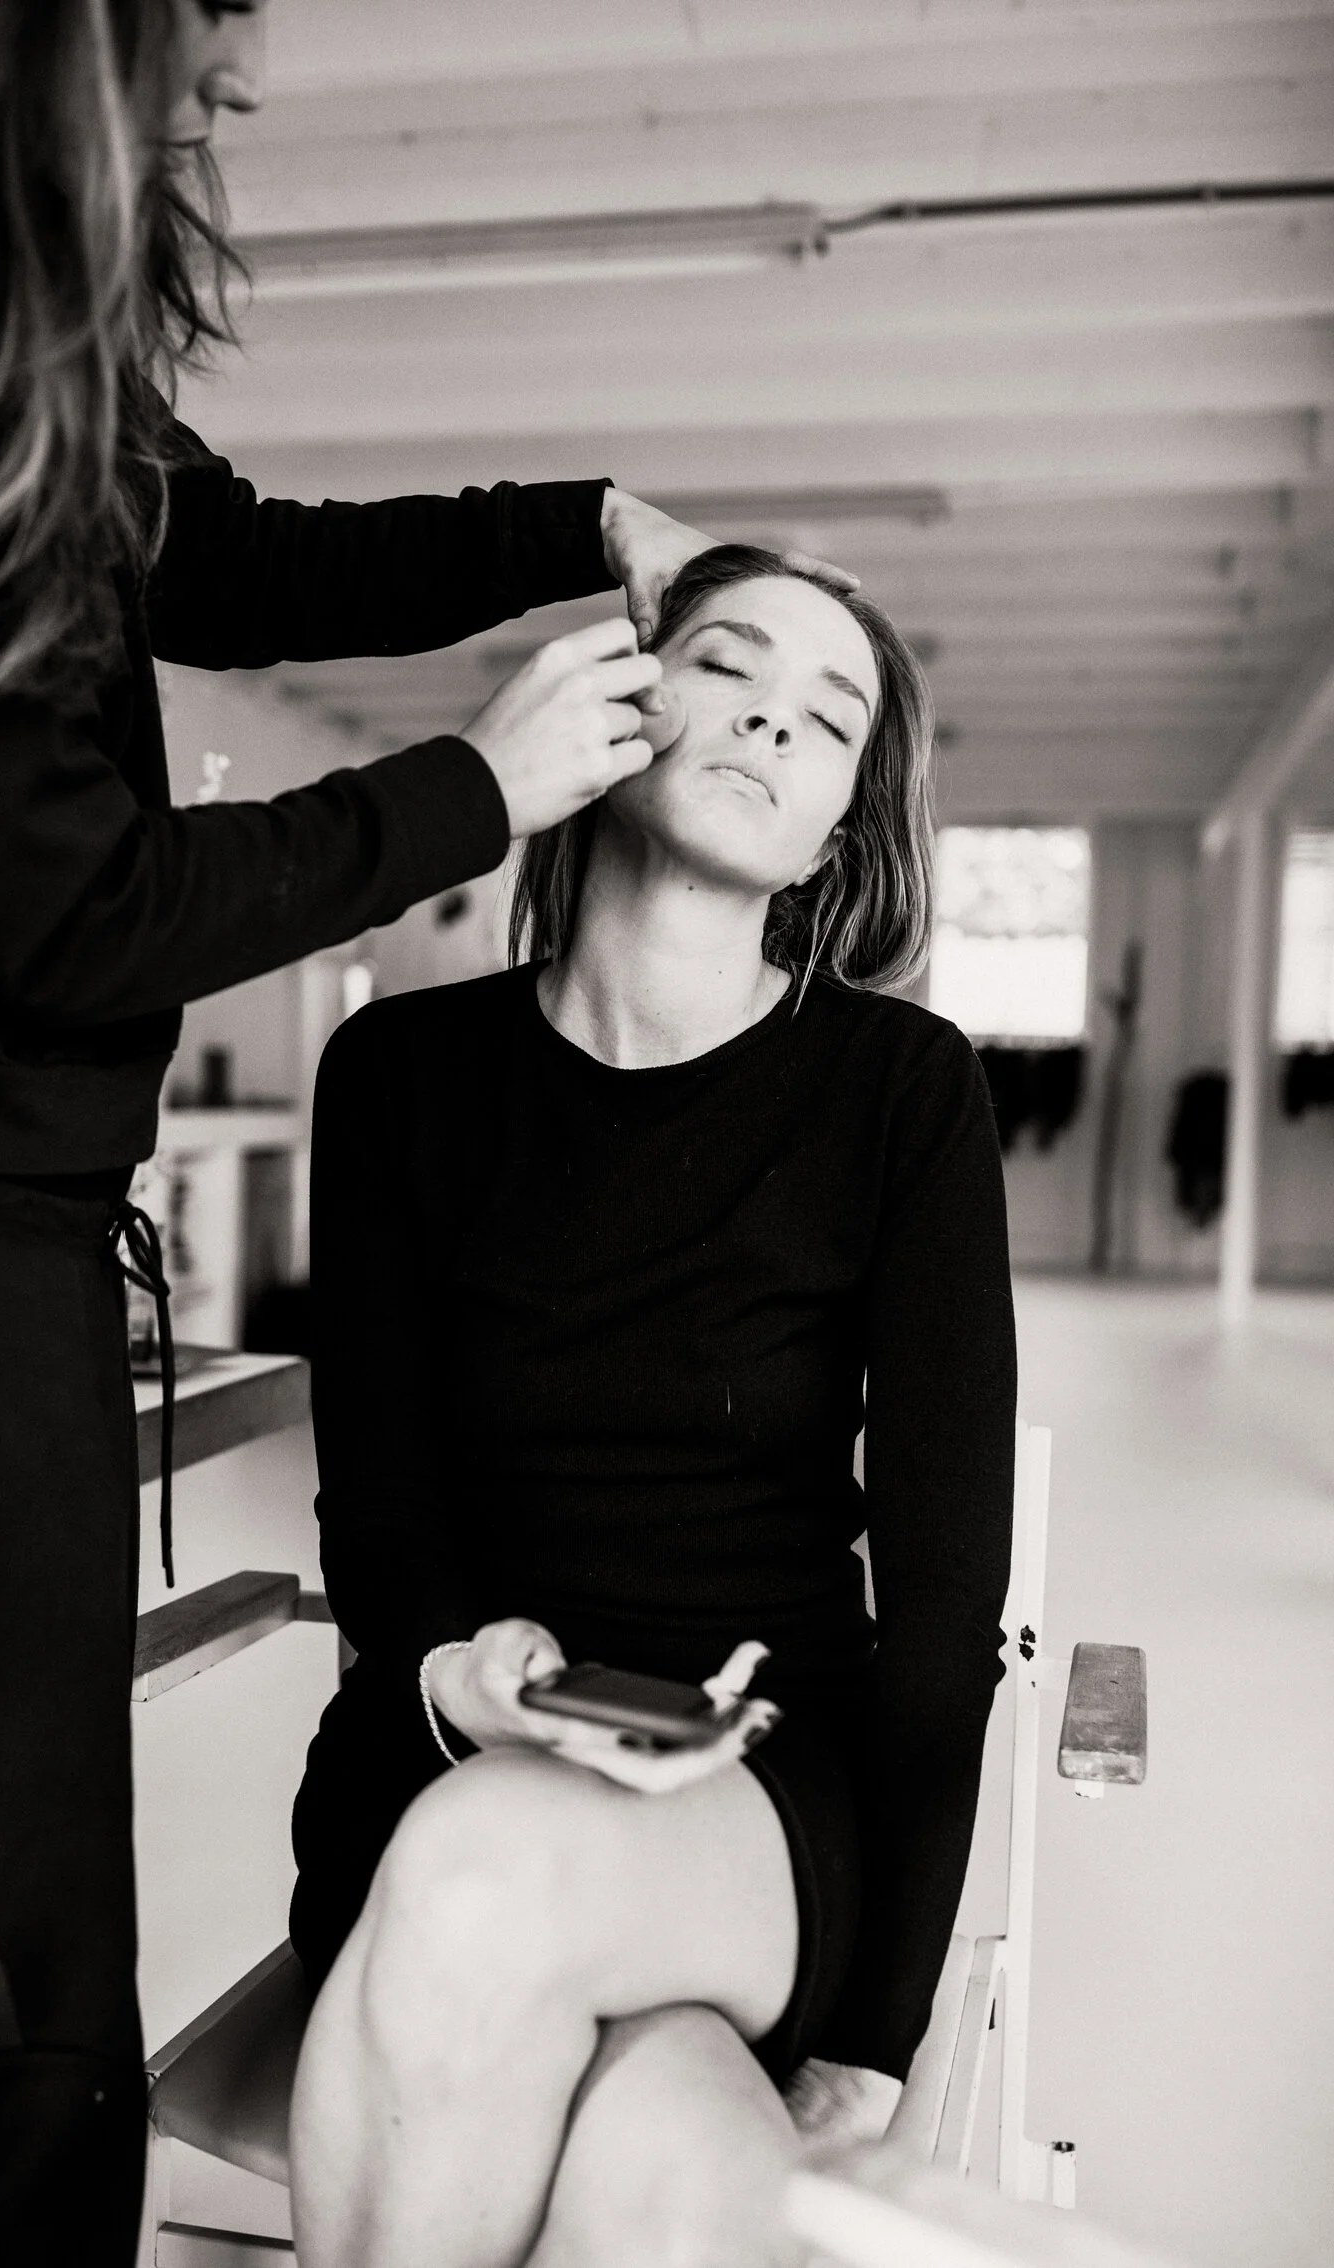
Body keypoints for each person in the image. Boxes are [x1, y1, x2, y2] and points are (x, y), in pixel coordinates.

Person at [0, 6, 794, 2262]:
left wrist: (579, 525)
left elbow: (246, 560)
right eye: (188, 80)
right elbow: (78, 913)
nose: (213, 124)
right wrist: (471, 788)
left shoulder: (11, 378)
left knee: (6, 1949)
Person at [287, 545, 1018, 2268]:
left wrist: (880, 2027)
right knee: (660, 2171)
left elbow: (941, 1603)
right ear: (615, 715)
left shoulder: (900, 1092)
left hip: (756, 1791)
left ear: (831, 835)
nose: (770, 719)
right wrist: (452, 1672)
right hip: (453, 1745)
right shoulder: (396, 1075)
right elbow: (379, 1502)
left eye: (824, 720)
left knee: (482, 1888)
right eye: (729, 666)